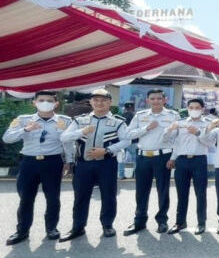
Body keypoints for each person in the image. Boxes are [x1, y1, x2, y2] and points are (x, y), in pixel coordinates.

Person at [3, 91, 74, 245]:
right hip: (29, 163)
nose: (45, 103)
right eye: (41, 100)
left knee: (53, 198)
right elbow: (7, 138)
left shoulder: (64, 121)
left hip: (53, 163)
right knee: (26, 198)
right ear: (34, 102)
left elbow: (68, 143)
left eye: (49, 100)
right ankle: (22, 231)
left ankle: (51, 228)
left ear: (56, 104)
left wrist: (69, 161)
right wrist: (26, 129)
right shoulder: (23, 120)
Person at [59, 89, 130, 241]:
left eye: (103, 100)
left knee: (108, 195)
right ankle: (78, 227)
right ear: (90, 102)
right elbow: (64, 137)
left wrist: (107, 150)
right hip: (83, 164)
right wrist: (81, 132)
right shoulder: (79, 120)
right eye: (96, 100)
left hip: (107, 163)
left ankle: (107, 225)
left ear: (110, 103)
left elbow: (126, 141)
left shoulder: (118, 121)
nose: (99, 103)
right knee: (81, 196)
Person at [123, 89, 180, 235]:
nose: (156, 101)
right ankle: (139, 221)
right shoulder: (140, 116)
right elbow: (128, 134)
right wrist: (146, 128)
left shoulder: (172, 115)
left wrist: (173, 157)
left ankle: (162, 221)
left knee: (163, 190)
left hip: (163, 157)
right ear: (148, 100)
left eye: (159, 98)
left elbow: (178, 139)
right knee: (141, 191)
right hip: (143, 157)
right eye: (153, 98)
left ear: (164, 100)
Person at [161, 98, 212, 235]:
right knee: (181, 194)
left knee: (200, 193)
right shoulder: (181, 123)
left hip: (199, 161)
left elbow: (211, 143)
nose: (194, 110)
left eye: (197, 107)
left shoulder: (208, 124)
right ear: (187, 108)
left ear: (202, 109)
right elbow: (175, 143)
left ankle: (201, 223)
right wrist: (172, 158)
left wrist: (198, 133)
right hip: (182, 161)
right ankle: (180, 222)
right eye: (191, 107)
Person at [117, 101, 136, 179]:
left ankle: (121, 175)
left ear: (125, 108)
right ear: (133, 108)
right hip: (133, 140)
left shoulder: (120, 117)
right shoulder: (135, 117)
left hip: (122, 141)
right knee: (135, 158)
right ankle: (135, 175)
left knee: (122, 158)